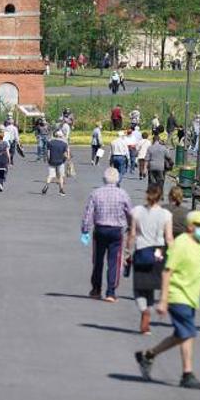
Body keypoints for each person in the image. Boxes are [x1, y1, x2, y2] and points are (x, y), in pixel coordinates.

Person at [134, 211, 200, 390]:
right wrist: (164, 300)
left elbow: (199, 275)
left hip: (191, 297)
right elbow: (167, 271)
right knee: (188, 333)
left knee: (180, 334)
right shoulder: (181, 244)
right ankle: (187, 374)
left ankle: (148, 355)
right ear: (190, 226)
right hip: (177, 296)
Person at [126, 185, 173, 335]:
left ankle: (144, 310)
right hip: (158, 252)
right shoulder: (166, 214)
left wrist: (128, 252)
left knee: (139, 287)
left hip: (142, 250)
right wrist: (174, 255)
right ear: (161, 197)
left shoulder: (137, 212)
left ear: (146, 195)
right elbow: (169, 238)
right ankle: (149, 313)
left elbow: (132, 234)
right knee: (151, 287)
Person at [80, 168, 133, 303]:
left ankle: (96, 289)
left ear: (104, 179)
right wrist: (131, 226)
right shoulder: (123, 194)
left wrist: (85, 229)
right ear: (117, 179)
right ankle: (111, 291)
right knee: (114, 262)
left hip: (100, 228)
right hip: (116, 230)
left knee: (97, 260)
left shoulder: (96, 193)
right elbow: (129, 212)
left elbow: (89, 213)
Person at [41, 129, 70, 196]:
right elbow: (65, 154)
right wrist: (67, 159)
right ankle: (61, 190)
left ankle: (46, 185)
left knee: (50, 175)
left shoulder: (50, 142)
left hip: (52, 161)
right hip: (60, 161)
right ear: (61, 136)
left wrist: (47, 159)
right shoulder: (64, 144)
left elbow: (48, 153)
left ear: (55, 135)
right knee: (60, 176)